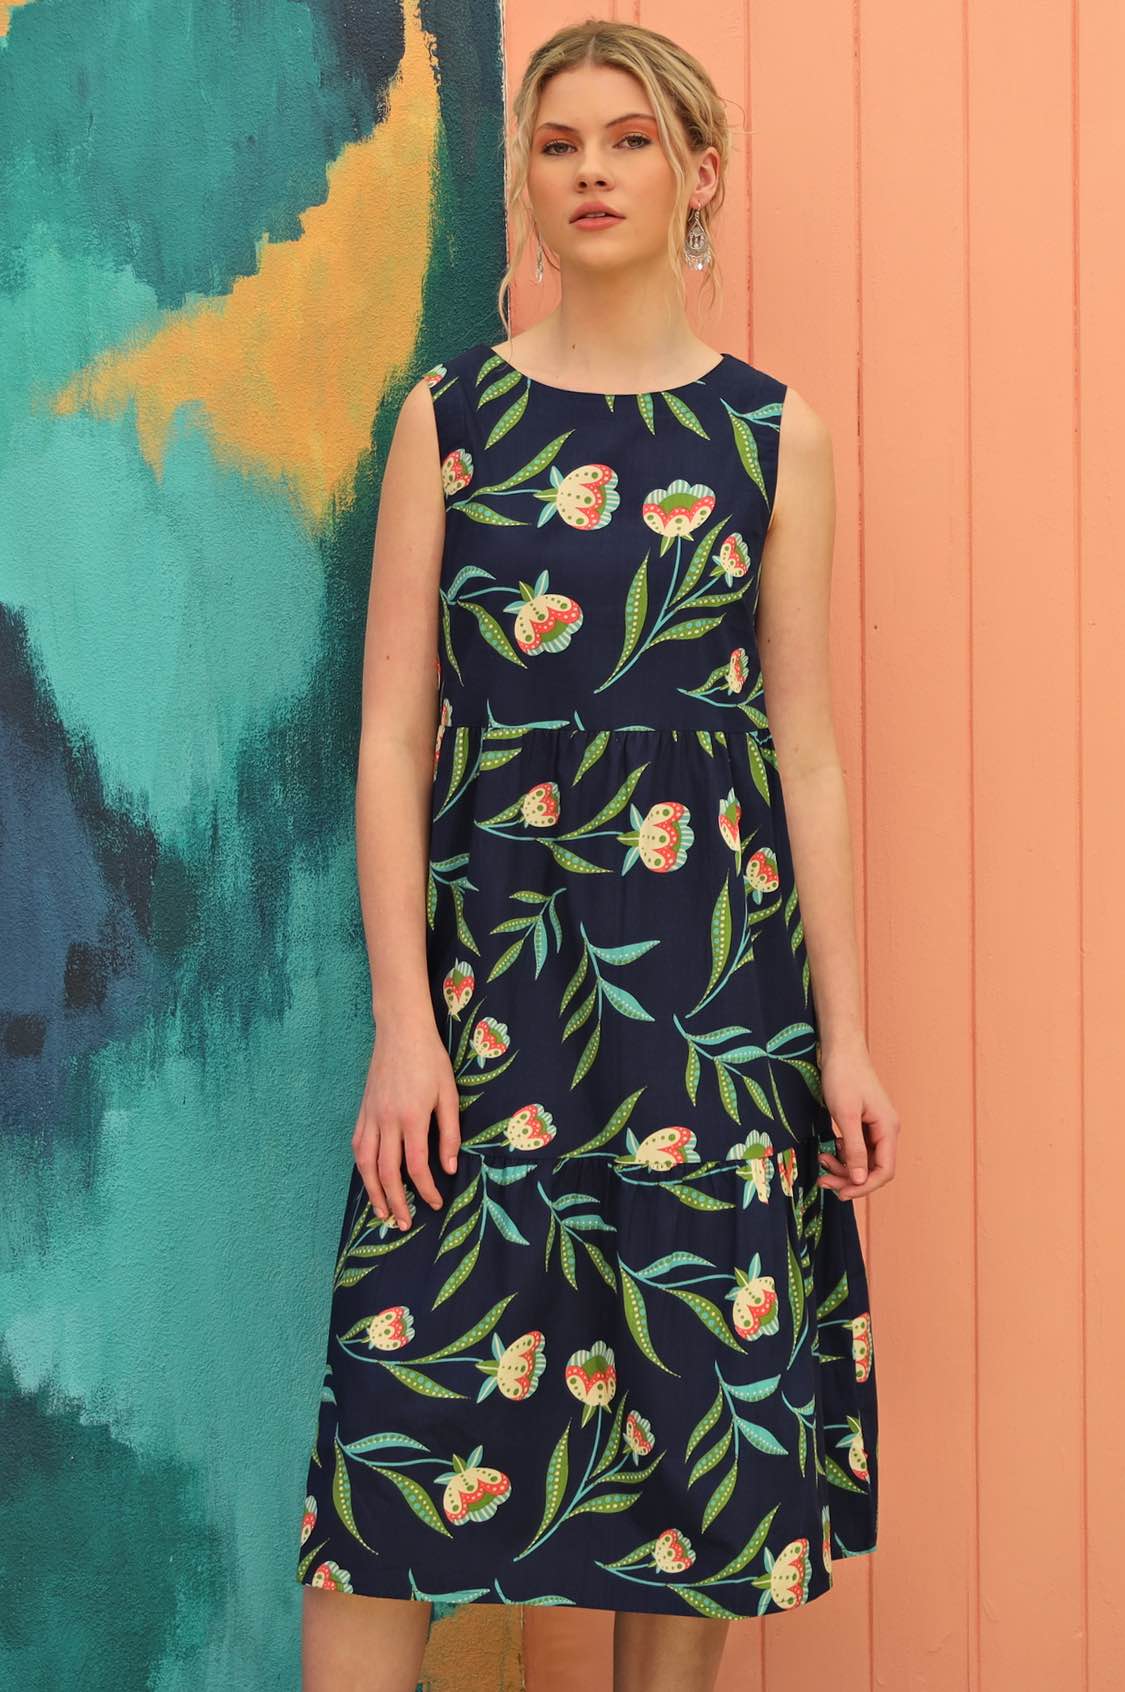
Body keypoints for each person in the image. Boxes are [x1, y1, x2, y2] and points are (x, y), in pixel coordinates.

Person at [296, 18, 900, 1692]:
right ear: (532, 186)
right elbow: (392, 742)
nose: (592, 172)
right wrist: (404, 1028)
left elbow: (807, 746)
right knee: (393, 1462)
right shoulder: (457, 419)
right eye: (559, 144)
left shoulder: (778, 438)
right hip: (487, 1025)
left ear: (700, 176)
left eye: (630, 142)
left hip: (710, 1022)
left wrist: (842, 1037)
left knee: (692, 1493)